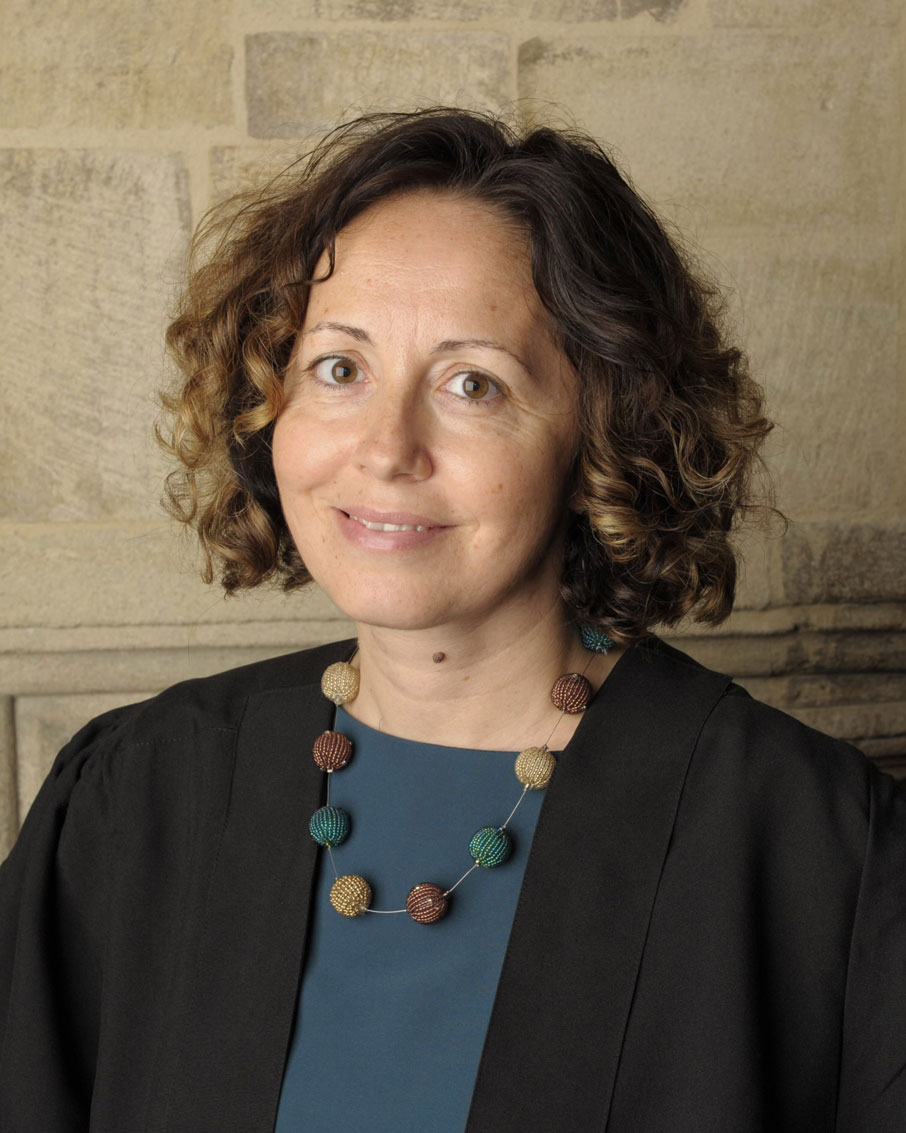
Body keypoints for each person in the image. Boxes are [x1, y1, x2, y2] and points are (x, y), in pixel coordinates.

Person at [0, 108, 903, 1133]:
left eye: (473, 383)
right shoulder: (136, 798)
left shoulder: (816, 851)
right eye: (339, 368)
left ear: (606, 433)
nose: (387, 448)